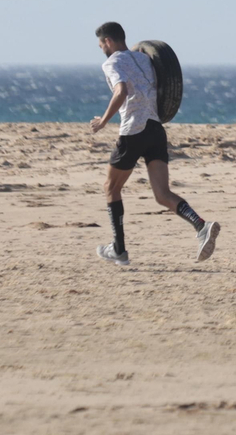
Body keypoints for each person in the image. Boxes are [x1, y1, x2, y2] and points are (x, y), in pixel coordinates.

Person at [88, 21, 219, 266]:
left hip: (134, 130)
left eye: (100, 45)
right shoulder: (145, 59)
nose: (101, 49)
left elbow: (121, 91)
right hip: (156, 129)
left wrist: (104, 120)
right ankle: (202, 226)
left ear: (107, 41)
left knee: (111, 188)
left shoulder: (111, 62)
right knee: (162, 194)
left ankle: (119, 249)